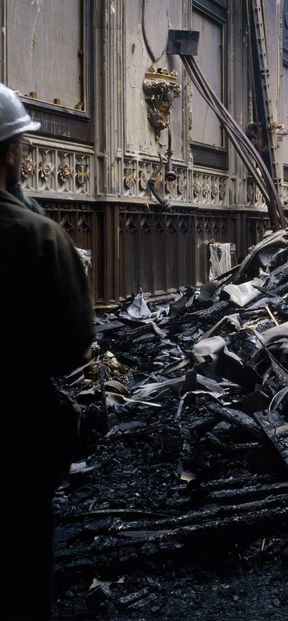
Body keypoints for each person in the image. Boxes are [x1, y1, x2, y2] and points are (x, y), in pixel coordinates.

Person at [0, 83, 94, 618]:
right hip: (15, 435)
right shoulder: (36, 236)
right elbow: (72, 345)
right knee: (22, 561)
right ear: (12, 150)